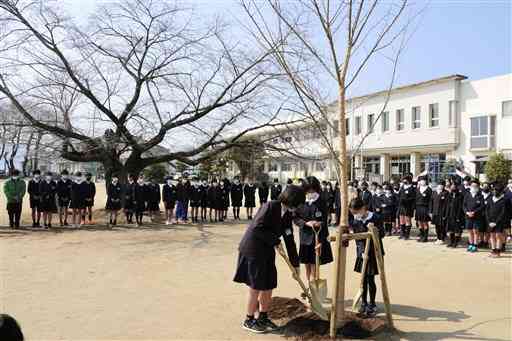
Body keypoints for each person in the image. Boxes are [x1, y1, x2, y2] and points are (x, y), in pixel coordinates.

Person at [233, 185, 305, 333]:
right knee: (256, 286)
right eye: (298, 204)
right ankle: (249, 319)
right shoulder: (271, 206)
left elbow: (289, 239)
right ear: (292, 201)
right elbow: (257, 227)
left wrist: (295, 264)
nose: (298, 208)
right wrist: (276, 241)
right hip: (253, 250)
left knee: (269, 284)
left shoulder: (287, 215)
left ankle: (263, 317)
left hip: (267, 251)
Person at [349, 197, 385, 318]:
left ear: (363, 208)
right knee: (362, 280)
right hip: (362, 254)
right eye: (353, 213)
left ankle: (372, 304)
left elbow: (382, 234)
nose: (355, 215)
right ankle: (363, 302)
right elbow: (357, 238)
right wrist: (361, 252)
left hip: (374, 253)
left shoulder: (375, 217)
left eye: (356, 212)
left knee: (370, 280)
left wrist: (374, 229)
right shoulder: (355, 220)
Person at [295, 176, 333, 282]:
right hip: (305, 237)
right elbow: (295, 218)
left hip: (318, 237)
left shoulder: (321, 201)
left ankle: (314, 286)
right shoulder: (301, 201)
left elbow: (325, 220)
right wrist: (305, 223)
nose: (310, 192)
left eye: (312, 189)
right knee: (307, 264)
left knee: (315, 263)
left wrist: (319, 223)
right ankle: (309, 286)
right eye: (308, 190)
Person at [486, 182, 512, 257]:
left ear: (500, 191)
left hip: (499, 222)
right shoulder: (490, 199)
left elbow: (503, 213)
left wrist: (496, 222)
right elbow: (487, 210)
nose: (494, 191)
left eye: (496, 190)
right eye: (493, 190)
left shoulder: (503, 200)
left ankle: (498, 251)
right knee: (492, 236)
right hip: (490, 221)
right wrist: (489, 221)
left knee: (498, 236)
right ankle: (493, 250)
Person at [463, 179, 485, 252]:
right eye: (472, 185)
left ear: (478, 187)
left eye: (475, 186)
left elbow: (482, 206)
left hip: (476, 216)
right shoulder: (467, 195)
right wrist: (467, 212)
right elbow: (464, 205)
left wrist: (474, 212)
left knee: (475, 231)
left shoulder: (480, 196)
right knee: (469, 231)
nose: (473, 187)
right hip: (468, 216)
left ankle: (475, 245)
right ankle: (470, 244)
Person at [445, 182, 465, 248]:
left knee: (457, 230)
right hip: (450, 215)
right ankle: (451, 241)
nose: (452, 188)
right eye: (452, 187)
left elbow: (460, 207)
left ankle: (456, 243)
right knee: (451, 229)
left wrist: (458, 216)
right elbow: (447, 205)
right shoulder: (449, 195)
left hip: (457, 215)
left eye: (454, 187)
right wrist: (446, 214)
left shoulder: (460, 195)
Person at [398, 176, 416, 240]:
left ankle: (407, 234)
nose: (404, 181)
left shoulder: (412, 188)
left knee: (407, 220)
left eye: (405, 180)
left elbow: (413, 198)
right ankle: (402, 234)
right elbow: (399, 195)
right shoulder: (402, 187)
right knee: (401, 219)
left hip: (408, 207)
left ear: (409, 180)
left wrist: (407, 200)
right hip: (401, 206)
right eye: (403, 180)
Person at [415, 176, 432, 243]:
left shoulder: (429, 189)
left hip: (425, 207)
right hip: (418, 207)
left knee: (425, 222)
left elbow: (431, 200)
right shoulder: (418, 189)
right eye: (421, 180)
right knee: (419, 222)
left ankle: (425, 237)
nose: (422, 181)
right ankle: (421, 235)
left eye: (424, 180)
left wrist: (430, 210)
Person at [480, 182, 492, 248]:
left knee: (487, 230)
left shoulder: (492, 195)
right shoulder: (479, 195)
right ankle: (481, 241)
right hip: (480, 215)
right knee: (481, 229)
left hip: (489, 215)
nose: (485, 187)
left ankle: (486, 242)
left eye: (486, 186)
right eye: (484, 186)